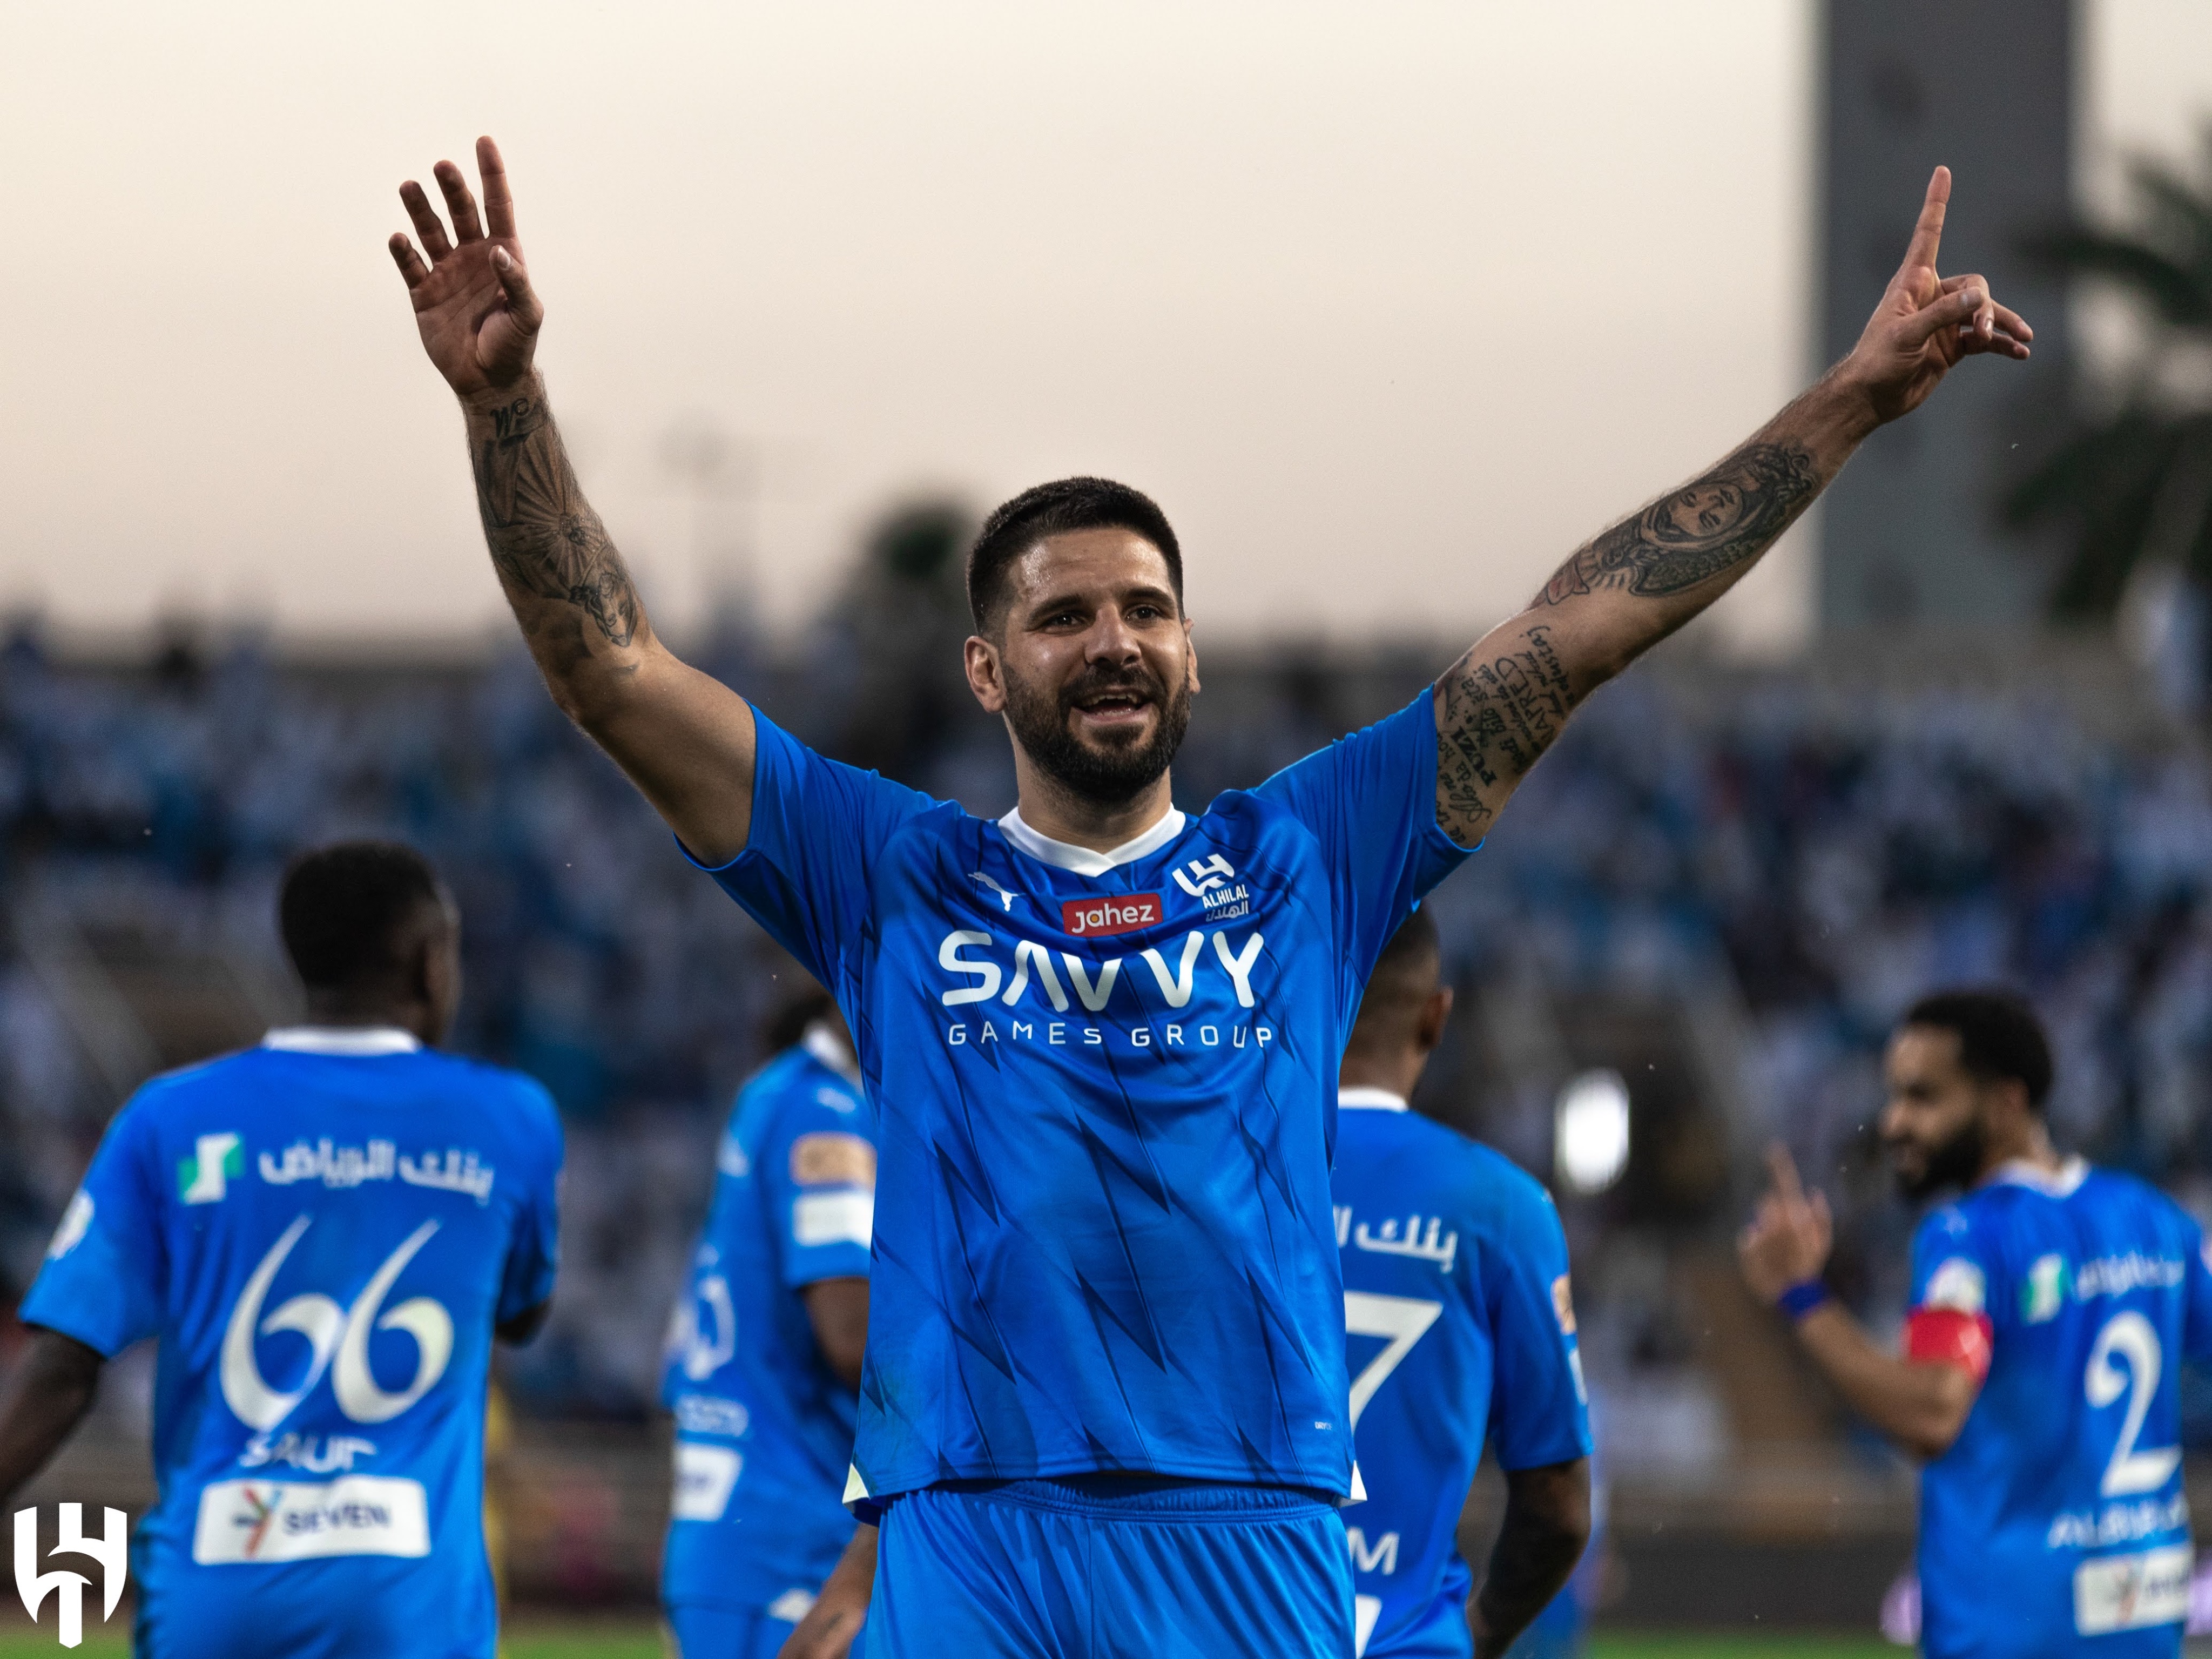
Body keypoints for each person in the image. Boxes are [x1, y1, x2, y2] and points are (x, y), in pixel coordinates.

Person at [387, 134, 2027, 1656]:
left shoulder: (1305, 856)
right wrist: (506, 406)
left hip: (1254, 1531)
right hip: (974, 1533)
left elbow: (1586, 626)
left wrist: (1848, 405)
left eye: (1147, 609)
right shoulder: (894, 875)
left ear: (1189, 652)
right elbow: (613, 671)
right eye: (1063, 616)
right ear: (986, 669)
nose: (1113, 638)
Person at [0, 840, 564, 1658]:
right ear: (430, 962)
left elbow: (61, 1372)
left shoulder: (170, 1119)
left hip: (216, 1587)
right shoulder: (510, 1120)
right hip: (406, 1600)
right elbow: (522, 1310)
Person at [1739, 989, 2212, 1659]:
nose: (1894, 1122)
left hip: (2013, 1632)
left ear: (2005, 1102)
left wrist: (1800, 1297)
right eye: (1894, 1097)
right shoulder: (2156, 1221)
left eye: (1923, 1097)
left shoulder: (1971, 1236)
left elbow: (1932, 1411)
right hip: (2141, 1616)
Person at [1331, 911, 1590, 1659]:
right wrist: (1477, 1637)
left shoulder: (1208, 1175)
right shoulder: (1501, 1206)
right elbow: (1558, 1509)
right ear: (1436, 1016)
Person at [662, 986, 875, 1659]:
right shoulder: (825, 1112)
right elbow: (851, 1335)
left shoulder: (775, 1093)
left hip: (737, 1529)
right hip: (793, 1539)